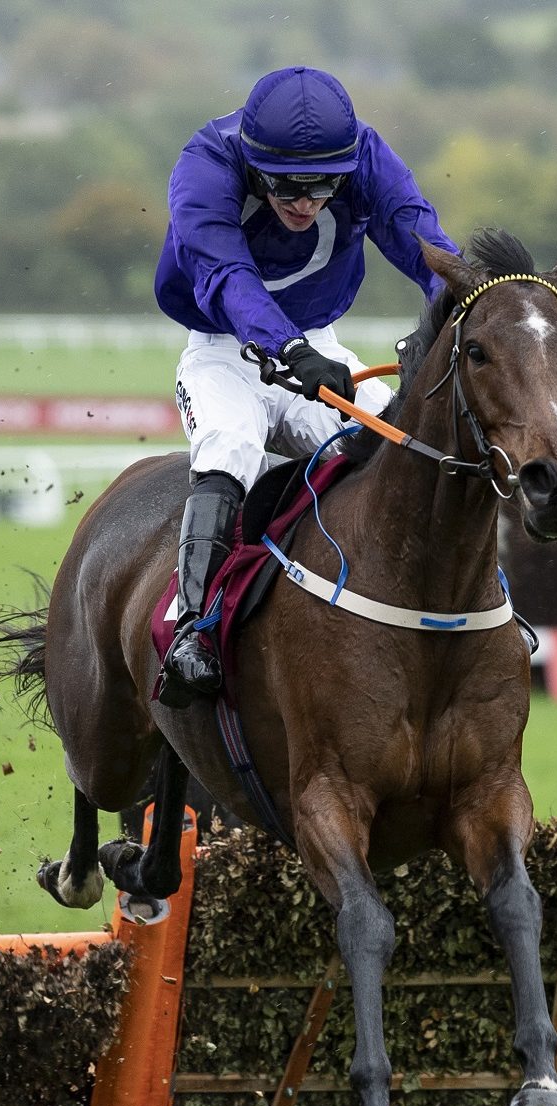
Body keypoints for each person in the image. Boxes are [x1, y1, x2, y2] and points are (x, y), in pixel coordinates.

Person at [151, 66, 462, 706]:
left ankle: (455, 612)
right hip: (222, 351)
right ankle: (194, 630)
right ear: (253, 166)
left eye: (323, 187)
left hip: (319, 342)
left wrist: (452, 306)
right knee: (230, 445)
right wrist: (286, 348)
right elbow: (225, 277)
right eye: (287, 187)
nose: (306, 203)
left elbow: (419, 235)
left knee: (405, 448)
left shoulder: (366, 156)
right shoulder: (205, 165)